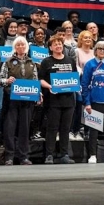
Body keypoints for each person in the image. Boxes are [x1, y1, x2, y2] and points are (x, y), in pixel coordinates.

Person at [0, 36, 40, 166]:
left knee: (25, 128)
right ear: (15, 47)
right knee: (10, 128)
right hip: (11, 99)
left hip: (27, 100)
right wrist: (7, 81)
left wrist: (38, 94)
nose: (21, 47)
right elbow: (0, 79)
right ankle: (9, 156)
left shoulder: (32, 62)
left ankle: (23, 156)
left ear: (26, 47)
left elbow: (35, 80)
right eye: (18, 45)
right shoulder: (8, 62)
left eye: (23, 45)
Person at [37, 35, 77, 164]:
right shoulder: (46, 62)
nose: (58, 46)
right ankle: (49, 154)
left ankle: (64, 154)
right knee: (52, 128)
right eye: (55, 44)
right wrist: (49, 86)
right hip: (53, 100)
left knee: (65, 128)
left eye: (60, 44)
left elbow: (75, 78)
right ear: (50, 47)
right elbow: (40, 79)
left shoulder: (70, 60)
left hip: (69, 100)